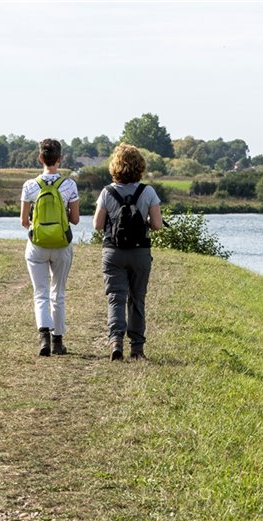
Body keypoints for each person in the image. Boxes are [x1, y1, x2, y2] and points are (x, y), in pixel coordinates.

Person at [93, 143, 163, 361]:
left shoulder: (107, 192)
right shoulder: (148, 191)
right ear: (139, 166)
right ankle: (137, 348)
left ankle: (116, 341)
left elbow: (97, 224)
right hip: (140, 252)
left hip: (113, 252)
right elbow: (158, 225)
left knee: (116, 297)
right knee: (137, 299)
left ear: (115, 166)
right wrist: (146, 221)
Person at [21, 139, 80, 356]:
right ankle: (58, 341)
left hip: (36, 245)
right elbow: (74, 219)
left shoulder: (29, 186)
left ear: (40, 158)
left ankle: (43, 338)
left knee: (41, 293)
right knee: (59, 293)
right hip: (62, 245)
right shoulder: (69, 185)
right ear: (60, 158)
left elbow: (23, 221)